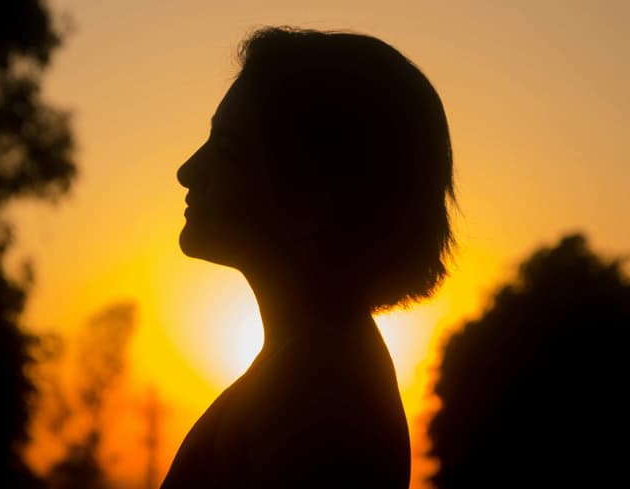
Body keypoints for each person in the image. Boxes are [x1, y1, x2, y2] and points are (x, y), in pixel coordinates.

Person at [163, 26, 454, 488]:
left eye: (228, 149)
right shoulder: (309, 365)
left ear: (321, 194)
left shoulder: (319, 391)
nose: (188, 171)